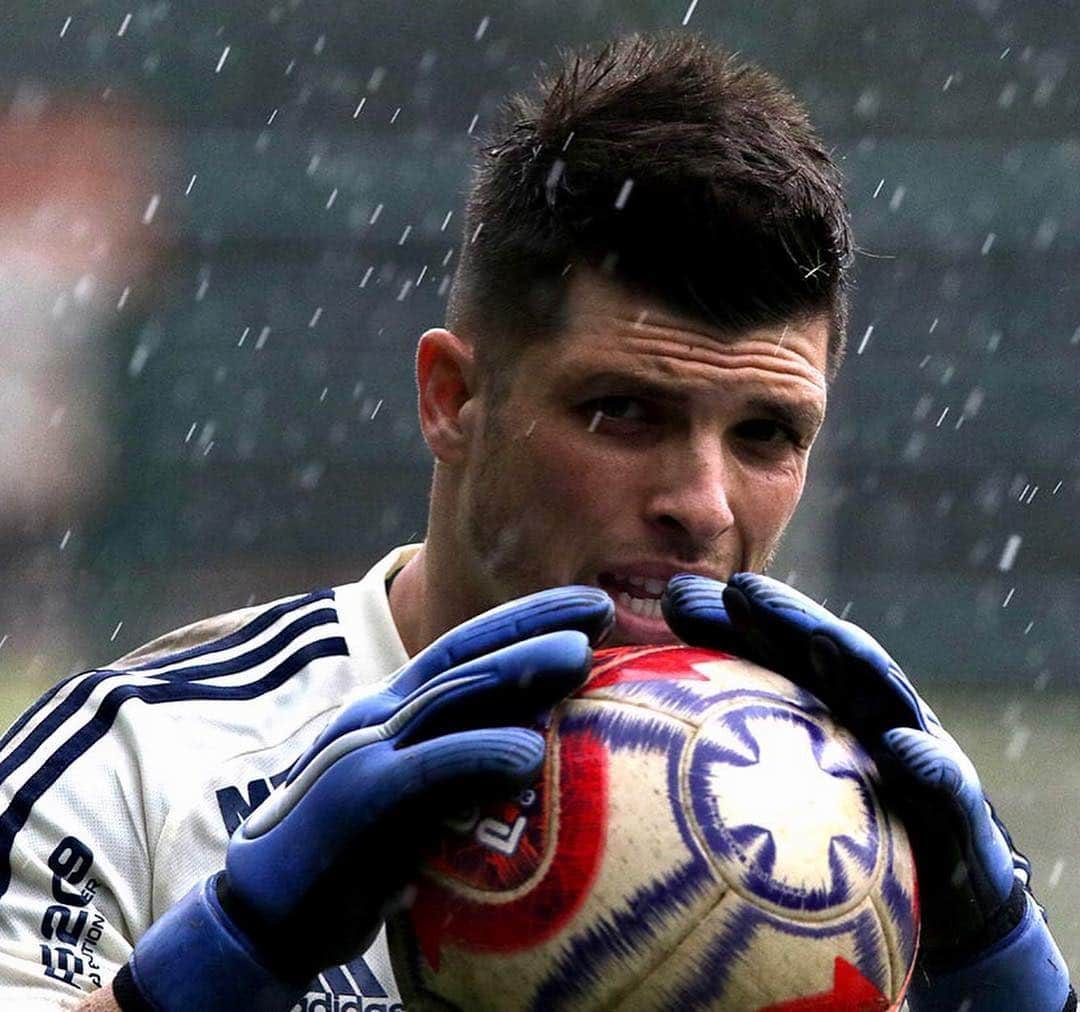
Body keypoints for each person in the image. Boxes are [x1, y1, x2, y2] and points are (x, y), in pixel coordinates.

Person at [0, 32, 1071, 1012]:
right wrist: (237, 948)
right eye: (624, 411)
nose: (700, 504)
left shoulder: (864, 838)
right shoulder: (131, 772)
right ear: (453, 399)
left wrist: (1012, 979)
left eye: (765, 435)